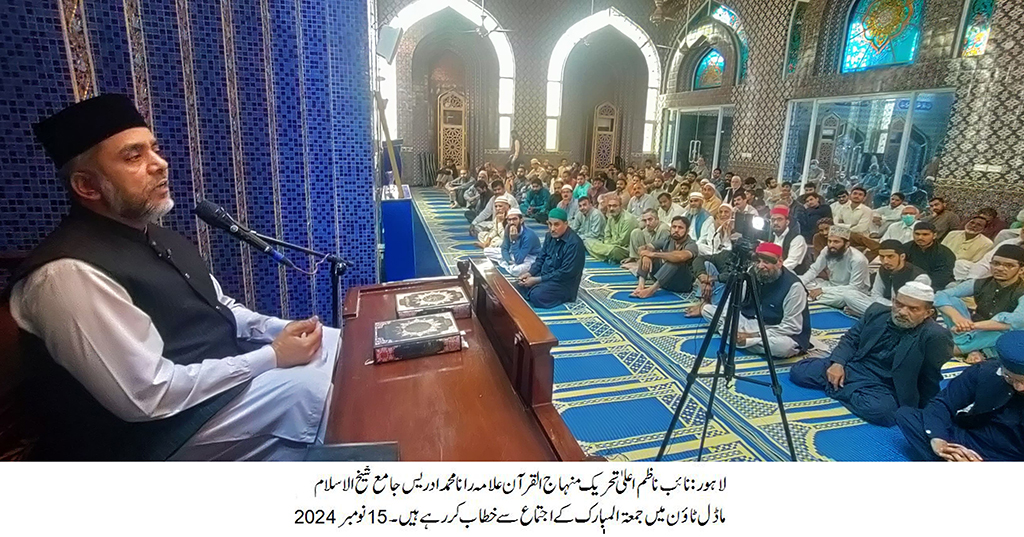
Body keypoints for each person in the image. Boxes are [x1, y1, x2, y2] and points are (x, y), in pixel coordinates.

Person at [6, 94, 338, 460]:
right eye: (134, 157)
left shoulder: (156, 235)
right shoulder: (66, 276)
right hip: (148, 438)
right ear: (87, 186)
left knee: (339, 347)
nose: (160, 164)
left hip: (209, 396)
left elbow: (218, 307)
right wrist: (272, 357)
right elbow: (147, 396)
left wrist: (278, 329)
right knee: (315, 390)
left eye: (155, 149)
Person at [789, 282, 952, 427]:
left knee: (884, 413)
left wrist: (927, 411)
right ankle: (844, 387)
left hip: (885, 385)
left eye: (912, 309)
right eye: (899, 304)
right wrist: (838, 363)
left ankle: (836, 387)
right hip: (853, 366)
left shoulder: (935, 336)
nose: (902, 312)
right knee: (799, 371)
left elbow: (930, 376)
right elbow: (851, 339)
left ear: (928, 313)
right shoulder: (877, 312)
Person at [895, 331, 1024, 461]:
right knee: (907, 416)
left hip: (1011, 454)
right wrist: (938, 439)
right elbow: (943, 402)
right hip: (971, 438)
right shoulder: (985, 371)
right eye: (1009, 378)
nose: (1019, 387)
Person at [692, 242, 812, 359]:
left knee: (783, 347)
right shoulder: (752, 272)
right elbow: (733, 300)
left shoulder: (794, 287)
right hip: (749, 322)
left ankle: (736, 338)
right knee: (707, 310)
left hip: (774, 329)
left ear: (779, 262)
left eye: (766, 262)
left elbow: (792, 327)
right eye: (758, 261)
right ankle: (739, 338)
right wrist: (730, 320)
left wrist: (752, 336)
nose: (760, 266)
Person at [935, 244, 1024, 364]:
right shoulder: (980, 283)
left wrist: (971, 326)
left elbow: (1016, 321)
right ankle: (973, 349)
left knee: (1005, 331)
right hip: (971, 332)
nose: (1000, 268)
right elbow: (940, 295)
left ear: (1021, 269)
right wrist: (958, 318)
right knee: (952, 300)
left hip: (999, 334)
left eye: (1009, 266)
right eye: (996, 263)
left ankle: (961, 349)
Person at [516, 208, 586, 309]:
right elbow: (541, 257)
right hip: (546, 276)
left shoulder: (574, 244)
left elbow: (565, 273)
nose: (552, 228)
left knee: (536, 295)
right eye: (550, 224)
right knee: (518, 285)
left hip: (563, 283)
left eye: (557, 224)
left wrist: (537, 280)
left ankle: (541, 291)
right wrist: (530, 273)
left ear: (566, 224)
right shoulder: (549, 236)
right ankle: (534, 288)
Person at [842, 240, 931, 317]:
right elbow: (876, 295)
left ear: (902, 257)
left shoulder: (919, 277)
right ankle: (877, 315)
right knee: (849, 294)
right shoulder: (883, 269)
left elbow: (913, 305)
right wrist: (888, 306)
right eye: (882, 257)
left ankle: (870, 315)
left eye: (890, 256)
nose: (885, 261)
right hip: (888, 307)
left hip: (905, 311)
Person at [800, 224, 870, 308]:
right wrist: (800, 284)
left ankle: (808, 296)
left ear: (847, 244)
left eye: (836, 242)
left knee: (842, 299)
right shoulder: (827, 250)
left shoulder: (858, 260)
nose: (831, 245)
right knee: (799, 279)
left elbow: (854, 287)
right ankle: (812, 296)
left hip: (850, 291)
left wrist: (823, 290)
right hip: (831, 286)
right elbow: (814, 270)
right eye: (829, 241)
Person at [632, 216, 700, 298]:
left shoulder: (692, 244)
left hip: (682, 283)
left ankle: (651, 290)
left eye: (680, 228)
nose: (676, 230)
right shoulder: (668, 239)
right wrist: (646, 255)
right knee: (647, 253)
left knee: (675, 260)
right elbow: (643, 248)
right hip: (665, 281)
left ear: (687, 231)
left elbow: (681, 256)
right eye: (674, 227)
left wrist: (653, 254)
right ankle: (640, 285)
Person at [584, 194, 638, 264]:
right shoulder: (611, 217)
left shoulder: (628, 220)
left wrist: (607, 244)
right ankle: (607, 256)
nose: (611, 208)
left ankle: (604, 255)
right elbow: (606, 235)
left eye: (615, 206)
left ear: (621, 206)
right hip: (609, 246)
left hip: (623, 249)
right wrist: (607, 243)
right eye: (609, 206)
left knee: (615, 251)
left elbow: (622, 242)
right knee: (588, 241)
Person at [905, 221, 956, 291]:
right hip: (911, 283)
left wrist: (922, 287)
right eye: (917, 234)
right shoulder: (905, 248)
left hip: (939, 285)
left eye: (925, 234)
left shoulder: (945, 253)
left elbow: (942, 276)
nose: (920, 237)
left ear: (934, 235)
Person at [490, 208, 542, 277]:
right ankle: (509, 264)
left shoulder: (528, 235)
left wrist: (514, 240)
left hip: (529, 257)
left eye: (514, 219)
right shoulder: (507, 228)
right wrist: (508, 260)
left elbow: (519, 260)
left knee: (516, 270)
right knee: (487, 251)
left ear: (521, 220)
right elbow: (504, 248)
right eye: (509, 220)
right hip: (515, 253)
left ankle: (507, 264)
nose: (512, 222)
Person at [944, 214, 995, 281]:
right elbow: (939, 251)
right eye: (972, 223)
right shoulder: (952, 234)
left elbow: (974, 263)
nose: (973, 226)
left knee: (960, 263)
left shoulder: (987, 244)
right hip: (941, 265)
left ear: (984, 229)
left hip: (960, 271)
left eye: (978, 225)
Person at [769, 206, 809, 274]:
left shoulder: (797, 239)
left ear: (787, 222)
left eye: (779, 219)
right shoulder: (770, 238)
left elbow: (791, 262)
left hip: (793, 277)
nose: (775, 223)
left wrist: (772, 270)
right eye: (773, 220)